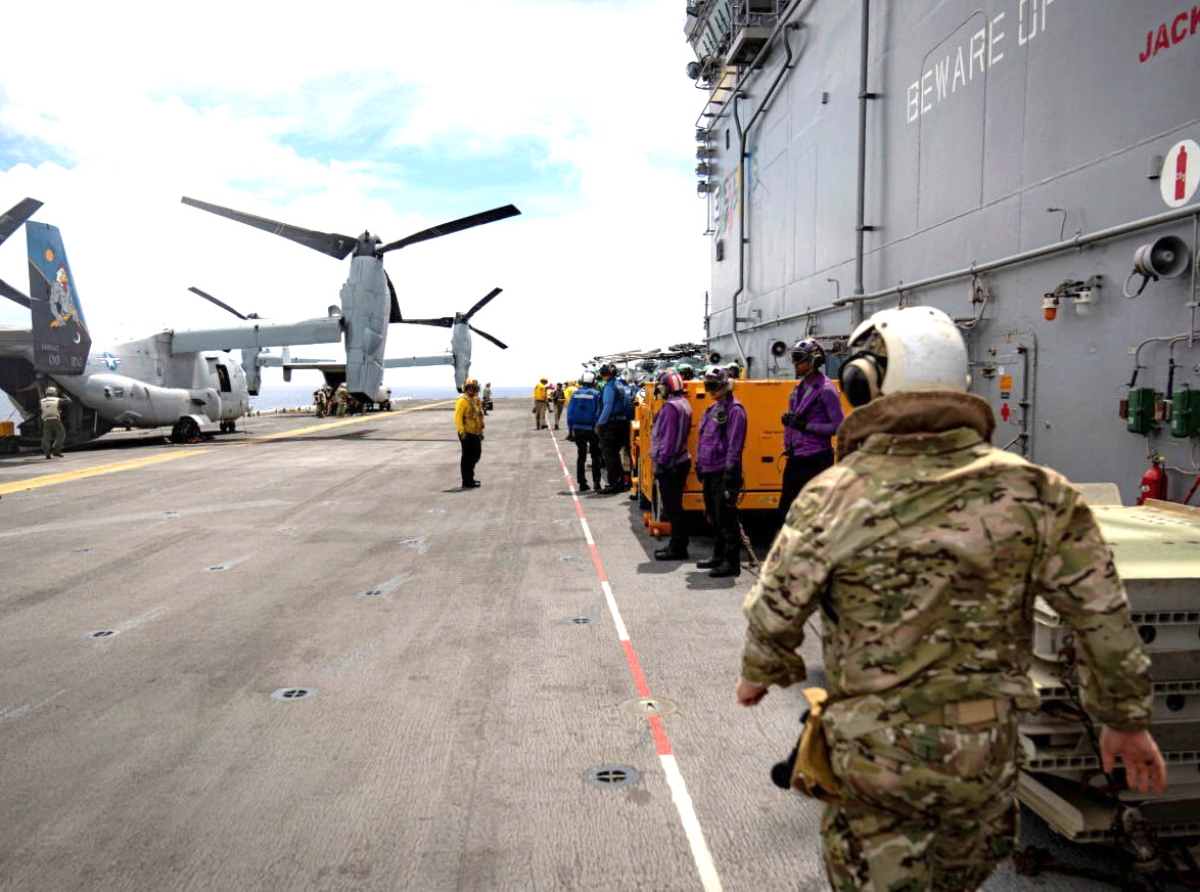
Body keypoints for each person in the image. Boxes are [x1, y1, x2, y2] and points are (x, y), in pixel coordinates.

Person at [736, 306, 1165, 892]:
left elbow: (777, 604)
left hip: (874, 757)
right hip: (982, 760)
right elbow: (1100, 613)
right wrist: (1124, 720)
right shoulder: (1036, 491)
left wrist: (761, 671)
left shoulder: (832, 495)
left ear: (865, 384)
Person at [778, 338, 844, 525]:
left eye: (799, 359)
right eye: (794, 359)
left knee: (816, 512)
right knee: (787, 510)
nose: (795, 364)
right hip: (797, 457)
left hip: (817, 459)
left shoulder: (826, 390)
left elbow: (838, 427)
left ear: (813, 360)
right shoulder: (799, 387)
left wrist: (805, 426)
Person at [695, 366, 747, 577]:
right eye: (708, 387)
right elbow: (704, 439)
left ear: (726, 385)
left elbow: (734, 445)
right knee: (714, 517)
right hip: (709, 470)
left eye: (714, 386)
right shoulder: (712, 410)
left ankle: (731, 562)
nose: (711, 391)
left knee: (726, 518)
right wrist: (700, 463)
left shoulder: (735, 411)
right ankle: (718, 556)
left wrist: (729, 472)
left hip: (724, 472)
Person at [649, 370, 693, 561]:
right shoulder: (683, 403)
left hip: (671, 464)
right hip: (681, 460)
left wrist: (663, 463)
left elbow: (668, 440)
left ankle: (678, 547)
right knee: (676, 507)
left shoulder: (670, 408)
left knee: (673, 508)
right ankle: (678, 545)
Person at [595, 364, 632, 494]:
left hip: (611, 425)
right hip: (623, 423)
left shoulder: (609, 387)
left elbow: (607, 406)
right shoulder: (620, 384)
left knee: (610, 455)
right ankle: (621, 482)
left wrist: (600, 424)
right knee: (617, 455)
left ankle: (614, 484)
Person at [566, 370, 603, 492]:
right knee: (595, 456)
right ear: (593, 382)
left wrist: (570, 430)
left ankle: (582, 483)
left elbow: (570, 414)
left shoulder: (574, 395)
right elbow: (599, 412)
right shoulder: (596, 394)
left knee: (581, 456)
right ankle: (597, 483)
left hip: (578, 429)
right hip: (592, 429)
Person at [454, 378, 485, 488]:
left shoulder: (474, 400)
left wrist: (481, 430)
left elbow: (478, 416)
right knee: (467, 457)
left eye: (474, 388)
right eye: (470, 388)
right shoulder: (463, 400)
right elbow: (458, 417)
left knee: (476, 455)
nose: (472, 390)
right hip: (466, 432)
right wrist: (462, 431)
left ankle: (469, 478)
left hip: (475, 432)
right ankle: (467, 481)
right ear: (466, 389)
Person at [39, 384, 70, 459]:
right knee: (61, 434)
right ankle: (56, 449)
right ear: (54, 393)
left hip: (46, 420)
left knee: (46, 436)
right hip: (55, 419)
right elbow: (69, 401)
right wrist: (63, 394)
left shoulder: (41, 401)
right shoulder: (57, 400)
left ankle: (47, 454)